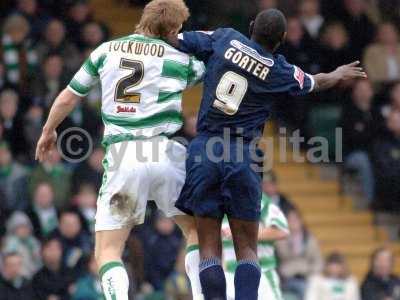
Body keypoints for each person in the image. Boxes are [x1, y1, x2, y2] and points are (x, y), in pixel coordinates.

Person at [168, 8, 366, 300]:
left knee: (209, 245)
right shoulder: (278, 69)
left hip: (205, 149)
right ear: (283, 39)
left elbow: (176, 40)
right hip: (243, 154)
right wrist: (337, 73)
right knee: (247, 248)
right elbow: (316, 81)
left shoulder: (225, 38)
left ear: (250, 26)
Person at [35, 1, 205, 299]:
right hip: (166, 154)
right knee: (195, 232)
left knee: (109, 250)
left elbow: (69, 97)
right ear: (174, 29)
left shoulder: (105, 51)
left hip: (125, 158)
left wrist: (48, 130)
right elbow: (212, 72)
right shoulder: (180, 60)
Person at [222, 193, 289, 300]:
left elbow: (281, 230)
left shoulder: (259, 200)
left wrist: (242, 233)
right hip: (230, 275)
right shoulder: (219, 202)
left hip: (262, 275)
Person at [340, 79, 376, 203]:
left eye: (366, 90)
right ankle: (370, 201)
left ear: (372, 92)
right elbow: (352, 139)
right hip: (352, 154)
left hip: (375, 151)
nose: (364, 93)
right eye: (360, 90)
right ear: (354, 93)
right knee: (363, 160)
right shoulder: (348, 113)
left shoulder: (377, 112)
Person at [276, 209, 323, 300]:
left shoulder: (310, 239)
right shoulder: (281, 238)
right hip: (286, 278)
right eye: (290, 220)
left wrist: (309, 270)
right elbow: (282, 254)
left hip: (307, 276)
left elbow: (318, 261)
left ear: (301, 221)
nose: (293, 223)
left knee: (316, 286)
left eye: (295, 219)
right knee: (305, 289)